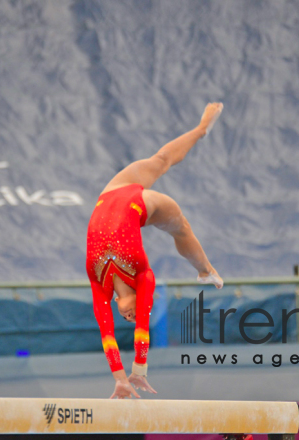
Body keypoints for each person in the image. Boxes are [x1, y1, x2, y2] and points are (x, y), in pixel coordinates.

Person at [86, 102, 225, 399]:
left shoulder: (100, 283)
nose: (132, 317)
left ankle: (204, 269)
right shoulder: (142, 275)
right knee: (177, 216)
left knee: (165, 172)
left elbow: (107, 333)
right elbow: (142, 326)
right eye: (135, 315)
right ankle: (204, 269)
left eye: (130, 316)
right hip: (135, 202)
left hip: (116, 194)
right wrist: (134, 374)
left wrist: (124, 377)